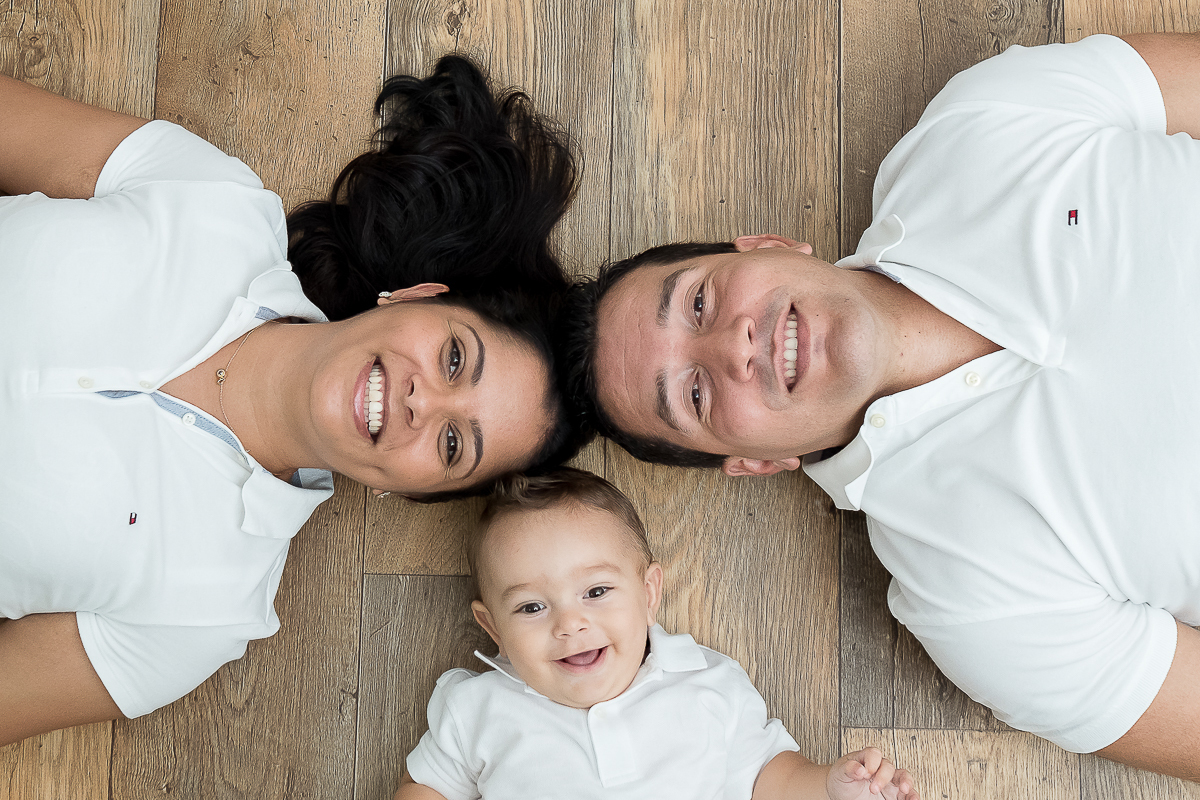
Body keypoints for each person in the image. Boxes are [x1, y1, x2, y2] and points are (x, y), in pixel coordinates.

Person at [560, 33, 1200, 779]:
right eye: (695, 394)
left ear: (768, 246)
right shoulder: (973, 606)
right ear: (757, 461)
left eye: (699, 302)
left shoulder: (976, 125)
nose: (733, 347)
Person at [0, 56, 588, 746]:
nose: (420, 403)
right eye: (454, 357)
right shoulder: (215, 202)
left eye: (453, 444)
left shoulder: (206, 612)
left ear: (406, 492)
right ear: (417, 296)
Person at [395, 468, 920, 800]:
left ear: (649, 594)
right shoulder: (478, 708)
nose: (570, 624)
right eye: (532, 606)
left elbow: (768, 778)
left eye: (596, 592)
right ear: (494, 628)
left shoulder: (706, 684)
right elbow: (428, 788)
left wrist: (828, 787)